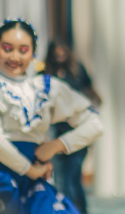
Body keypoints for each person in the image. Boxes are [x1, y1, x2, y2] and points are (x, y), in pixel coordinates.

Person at [0, 19, 104, 213]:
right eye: (7, 48)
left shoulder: (45, 88)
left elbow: (95, 124)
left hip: (34, 180)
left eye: (23, 50)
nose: (15, 56)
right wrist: (28, 169)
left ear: (33, 53)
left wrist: (55, 146)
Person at [42, 41, 102, 214]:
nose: (60, 55)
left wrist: (89, 108)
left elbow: (95, 98)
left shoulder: (78, 71)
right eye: (56, 53)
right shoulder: (45, 77)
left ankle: (79, 211)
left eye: (63, 52)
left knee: (73, 179)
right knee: (61, 179)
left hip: (77, 134)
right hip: (55, 133)